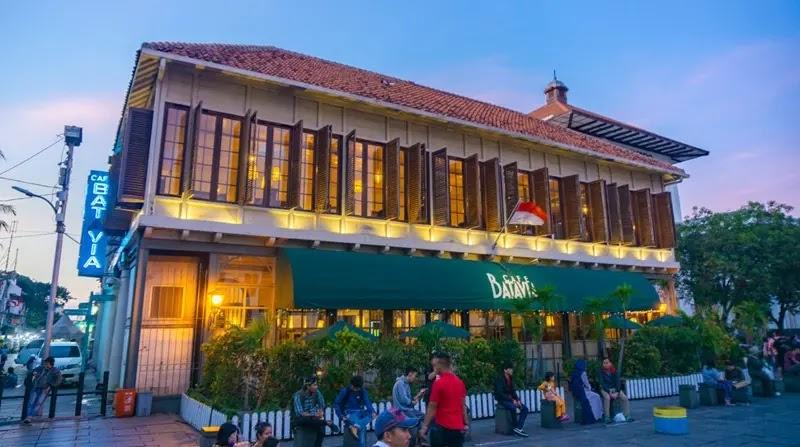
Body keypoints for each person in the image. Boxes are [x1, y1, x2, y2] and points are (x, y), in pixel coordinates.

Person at [419, 352, 467, 447]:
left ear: (440, 365)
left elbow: (432, 407)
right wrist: (466, 423)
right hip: (457, 428)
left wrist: (424, 427)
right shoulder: (460, 382)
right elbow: (463, 406)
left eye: (435, 365)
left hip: (442, 427)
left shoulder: (439, 383)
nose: (434, 368)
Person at [292, 376, 340, 447]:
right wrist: (314, 415)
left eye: (316, 385)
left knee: (320, 433)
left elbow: (322, 404)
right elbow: (300, 413)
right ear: (308, 386)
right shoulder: (298, 395)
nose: (316, 387)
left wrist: (320, 412)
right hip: (301, 419)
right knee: (309, 420)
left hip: (314, 417)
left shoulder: (317, 392)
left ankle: (325, 423)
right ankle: (327, 423)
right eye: (314, 385)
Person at [335, 375, 376, 447]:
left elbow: (368, 403)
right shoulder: (345, 391)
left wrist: (373, 412)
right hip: (349, 412)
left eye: (358, 388)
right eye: (355, 388)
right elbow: (337, 404)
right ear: (352, 385)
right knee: (361, 431)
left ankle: (355, 427)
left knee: (372, 414)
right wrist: (341, 416)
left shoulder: (363, 391)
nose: (356, 390)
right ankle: (357, 426)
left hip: (360, 412)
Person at [493, 362, 529, 436]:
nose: (512, 370)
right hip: (502, 399)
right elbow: (500, 393)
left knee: (524, 408)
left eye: (512, 369)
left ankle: (518, 428)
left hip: (511, 399)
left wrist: (518, 400)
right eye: (510, 369)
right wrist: (512, 400)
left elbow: (513, 391)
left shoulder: (510, 378)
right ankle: (515, 427)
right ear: (505, 370)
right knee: (512, 407)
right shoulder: (499, 379)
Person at [23, 356, 62, 424]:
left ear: (51, 364)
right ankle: (28, 416)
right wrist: (34, 373)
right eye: (45, 363)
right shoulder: (40, 368)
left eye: (47, 363)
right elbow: (33, 371)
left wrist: (50, 386)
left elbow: (58, 380)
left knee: (38, 403)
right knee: (31, 402)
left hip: (45, 389)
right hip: (36, 387)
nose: (45, 365)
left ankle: (29, 417)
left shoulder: (55, 370)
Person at [568, 359, 602, 424]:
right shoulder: (583, 373)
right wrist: (590, 388)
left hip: (575, 392)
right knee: (596, 396)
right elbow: (586, 383)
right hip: (582, 391)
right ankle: (597, 415)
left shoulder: (574, 372)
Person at [600, 358, 632, 422]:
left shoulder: (614, 371)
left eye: (607, 363)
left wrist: (617, 392)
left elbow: (618, 382)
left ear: (610, 363)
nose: (606, 364)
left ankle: (627, 415)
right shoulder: (600, 372)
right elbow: (602, 383)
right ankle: (607, 417)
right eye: (604, 363)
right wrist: (609, 392)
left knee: (624, 398)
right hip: (605, 389)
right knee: (607, 398)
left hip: (615, 389)